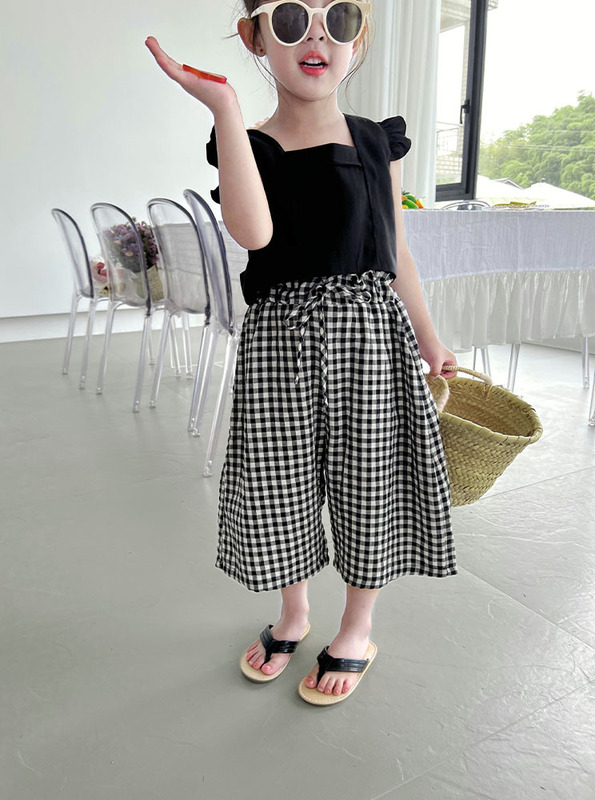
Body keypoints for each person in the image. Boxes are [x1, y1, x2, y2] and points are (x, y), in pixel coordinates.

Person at [146, 0, 457, 706]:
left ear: (357, 37)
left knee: (369, 482)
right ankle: (293, 613)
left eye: (337, 17)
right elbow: (253, 235)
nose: (315, 33)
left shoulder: (377, 141)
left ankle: (357, 626)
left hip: (370, 335)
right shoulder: (247, 142)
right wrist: (225, 109)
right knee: (276, 481)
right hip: (278, 339)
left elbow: (397, 251)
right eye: (289, 18)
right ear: (255, 36)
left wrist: (429, 337)